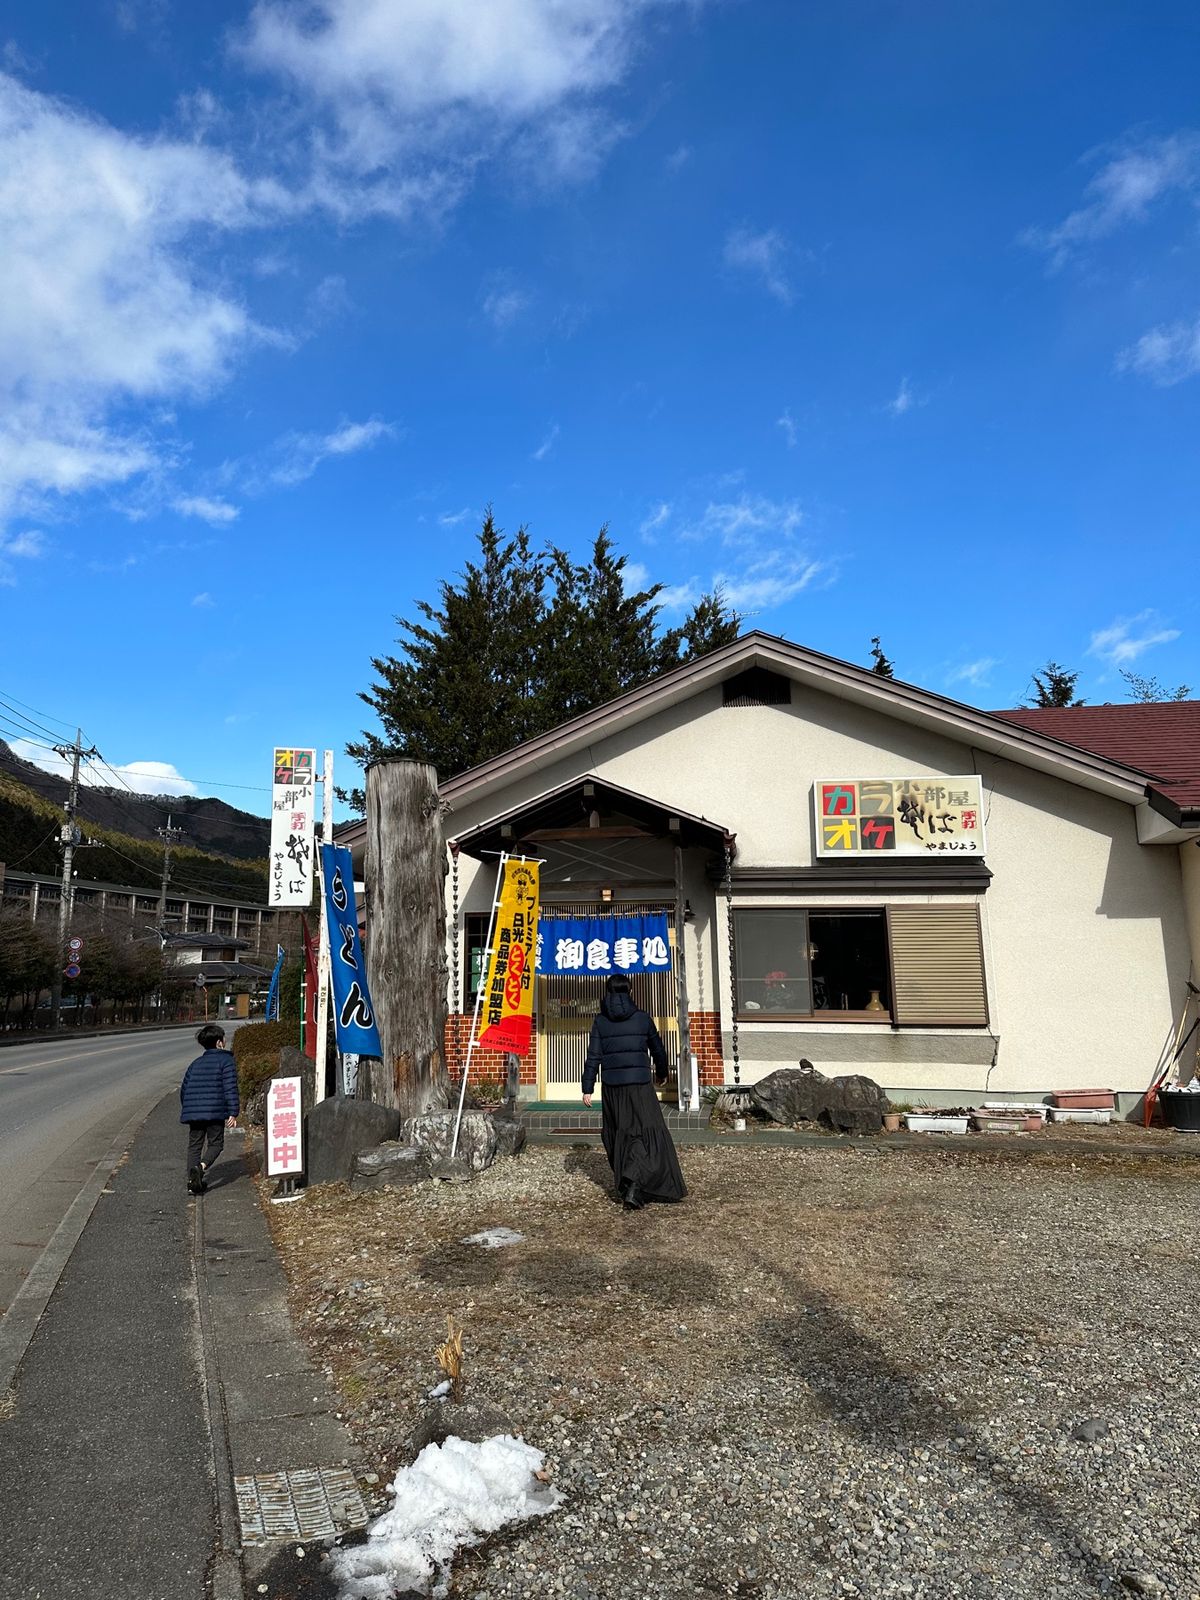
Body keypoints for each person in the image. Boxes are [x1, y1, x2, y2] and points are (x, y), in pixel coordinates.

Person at [582, 974, 687, 1210]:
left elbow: (593, 1056)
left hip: (613, 1088)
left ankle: (629, 1181)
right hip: (639, 1086)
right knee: (645, 1132)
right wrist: (662, 1073)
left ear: (608, 992)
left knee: (619, 1133)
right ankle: (635, 1184)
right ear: (629, 991)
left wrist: (587, 1087)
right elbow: (658, 1050)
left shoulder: (601, 1021)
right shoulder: (641, 1019)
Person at [180, 1023, 239, 1195]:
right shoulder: (226, 1061)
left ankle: (193, 1184)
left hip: (193, 1111)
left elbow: (184, 1089)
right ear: (220, 1042)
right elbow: (230, 1088)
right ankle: (200, 1167)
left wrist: (189, 1108)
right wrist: (233, 1112)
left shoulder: (195, 1064)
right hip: (215, 1111)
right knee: (216, 1144)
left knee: (194, 1146)